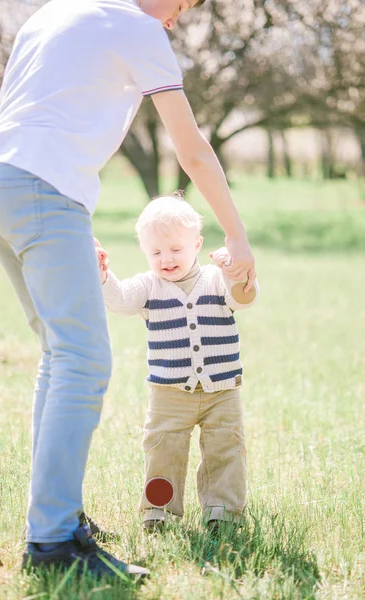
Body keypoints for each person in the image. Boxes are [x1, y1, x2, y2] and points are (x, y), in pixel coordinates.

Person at [0, 0, 255, 578]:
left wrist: (75, 221)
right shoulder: (137, 25)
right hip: (41, 193)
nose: (176, 19)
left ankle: (56, 521)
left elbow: (35, 120)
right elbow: (192, 149)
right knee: (82, 359)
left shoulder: (54, 12)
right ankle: (52, 543)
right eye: (182, 4)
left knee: (59, 357)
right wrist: (237, 237)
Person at [97, 195, 258, 531]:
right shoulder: (148, 286)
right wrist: (103, 277)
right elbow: (121, 301)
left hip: (222, 389)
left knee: (225, 448)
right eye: (155, 252)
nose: (165, 259)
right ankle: (159, 511)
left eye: (175, 249)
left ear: (196, 244)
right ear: (145, 252)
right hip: (169, 391)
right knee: (162, 450)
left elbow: (243, 299)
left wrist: (237, 274)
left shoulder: (216, 278)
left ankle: (222, 513)